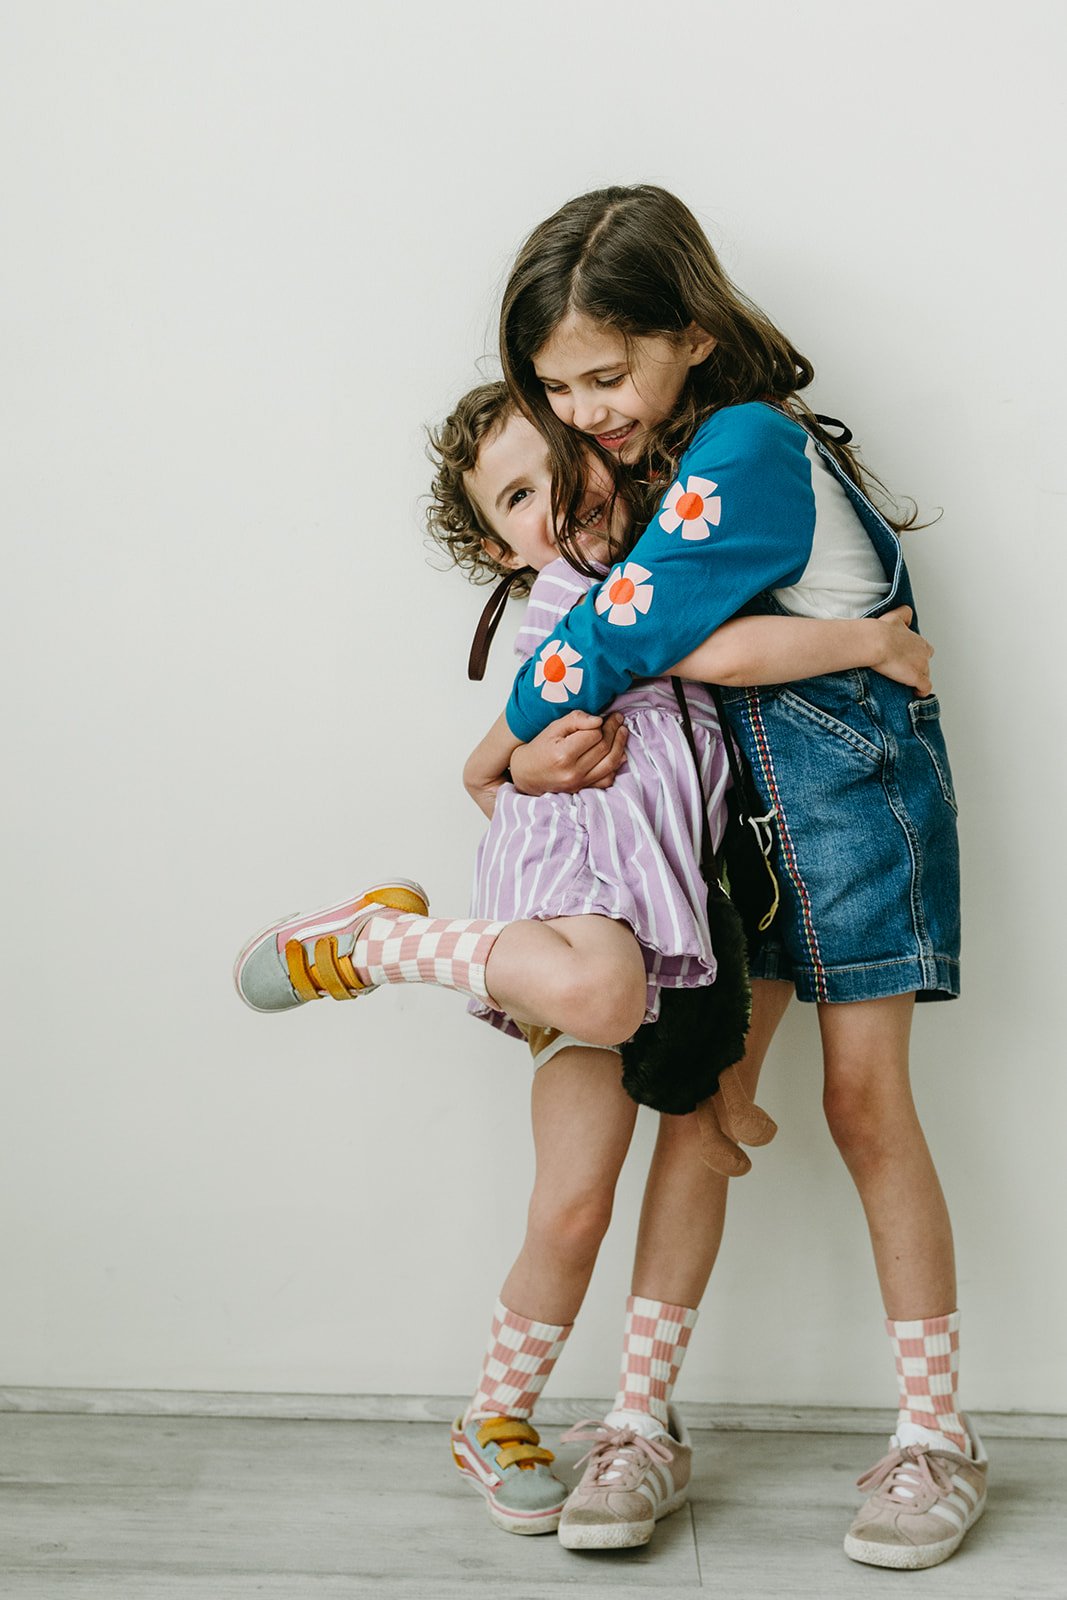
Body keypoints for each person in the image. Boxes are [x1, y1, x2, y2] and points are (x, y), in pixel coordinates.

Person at [234, 378, 935, 1552]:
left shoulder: (655, 567)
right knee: (597, 996)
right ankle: (368, 943)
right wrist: (869, 640)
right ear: (496, 543)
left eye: (564, 462)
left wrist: (488, 770)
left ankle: (494, 1414)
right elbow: (718, 650)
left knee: (570, 1206)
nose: (554, 500)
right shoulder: (581, 598)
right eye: (517, 495)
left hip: (659, 920)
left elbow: (529, 729)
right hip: (577, 910)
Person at [484, 183, 985, 1572]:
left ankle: (933, 1438)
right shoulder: (667, 471)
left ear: (690, 332)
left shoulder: (747, 447)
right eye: (555, 385)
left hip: (850, 798)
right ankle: (638, 1420)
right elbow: (653, 638)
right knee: (698, 1108)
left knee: (861, 1104)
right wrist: (524, 752)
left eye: (605, 371)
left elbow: (622, 638)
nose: (581, 409)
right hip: (733, 817)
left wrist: (527, 716)